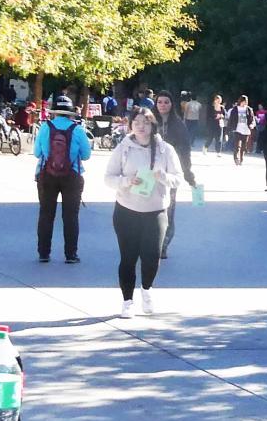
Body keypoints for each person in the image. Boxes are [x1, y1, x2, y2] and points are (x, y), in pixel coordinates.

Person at [104, 106, 181, 317]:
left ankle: (146, 290)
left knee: (151, 256)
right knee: (128, 257)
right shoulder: (124, 148)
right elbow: (108, 178)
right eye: (136, 122)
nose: (141, 127)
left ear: (153, 124)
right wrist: (127, 181)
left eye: (145, 122)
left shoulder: (166, 149)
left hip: (155, 210)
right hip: (126, 210)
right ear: (130, 125)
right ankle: (127, 301)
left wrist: (162, 177)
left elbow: (178, 178)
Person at [33, 92, 91, 264]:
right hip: (72, 176)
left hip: (47, 175)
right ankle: (71, 254)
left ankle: (44, 253)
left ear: (55, 112)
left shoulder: (45, 127)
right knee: (71, 216)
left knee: (46, 214)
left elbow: (37, 153)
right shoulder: (78, 129)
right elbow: (86, 155)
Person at [154, 91, 195, 252]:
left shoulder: (178, 125)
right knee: (149, 208)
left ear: (172, 105)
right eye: (160, 102)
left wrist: (188, 173)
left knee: (168, 209)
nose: (163, 105)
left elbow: (185, 150)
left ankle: (163, 244)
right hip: (150, 172)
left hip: (171, 173)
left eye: (166, 102)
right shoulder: (149, 122)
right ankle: (150, 241)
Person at [228, 94, 254, 165]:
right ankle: (236, 158)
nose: (244, 103)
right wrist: (230, 128)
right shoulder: (235, 109)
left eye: (246, 102)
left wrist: (252, 124)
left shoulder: (249, 109)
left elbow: (252, 119)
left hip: (246, 130)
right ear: (240, 101)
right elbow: (231, 119)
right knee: (237, 146)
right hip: (237, 129)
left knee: (243, 147)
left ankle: (241, 160)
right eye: (243, 101)